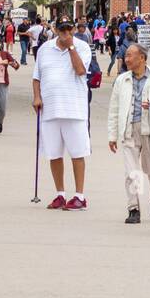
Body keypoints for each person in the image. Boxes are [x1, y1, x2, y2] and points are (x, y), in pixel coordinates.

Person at [32, 18, 92, 211]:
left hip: (73, 108)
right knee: (54, 153)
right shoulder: (44, 49)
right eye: (62, 29)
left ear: (73, 29)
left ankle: (79, 196)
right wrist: (36, 97)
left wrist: (71, 48)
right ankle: (60, 193)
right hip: (50, 108)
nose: (65, 32)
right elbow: (37, 76)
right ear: (55, 30)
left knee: (77, 152)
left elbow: (81, 70)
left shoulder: (82, 47)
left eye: (69, 29)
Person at [107, 43, 150, 225]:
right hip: (129, 129)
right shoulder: (122, 80)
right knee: (132, 172)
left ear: (142, 58)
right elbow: (114, 108)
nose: (126, 59)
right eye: (126, 56)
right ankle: (134, 208)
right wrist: (112, 135)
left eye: (130, 56)